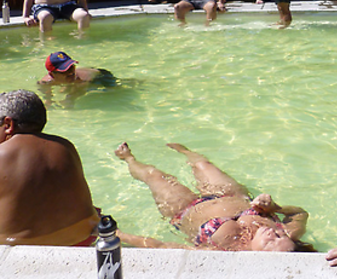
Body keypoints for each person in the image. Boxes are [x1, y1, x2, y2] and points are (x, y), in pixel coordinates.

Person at [114, 142, 313, 252]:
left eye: (271, 242)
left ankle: (128, 158)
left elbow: (165, 246)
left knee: (153, 175)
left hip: (184, 209)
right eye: (278, 235)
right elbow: (299, 213)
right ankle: (186, 151)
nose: (273, 234)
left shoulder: (223, 251)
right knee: (204, 166)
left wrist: (120, 236)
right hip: (230, 195)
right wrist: (274, 208)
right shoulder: (287, 233)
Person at [0, 90, 99, 246]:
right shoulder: (66, 146)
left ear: (8, 124)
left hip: (21, 248)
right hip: (83, 238)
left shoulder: (2, 154)